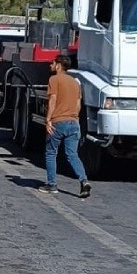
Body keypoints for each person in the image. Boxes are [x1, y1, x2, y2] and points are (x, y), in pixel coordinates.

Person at [39, 55, 91, 198]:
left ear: (58, 65)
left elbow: (53, 100)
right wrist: (73, 118)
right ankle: (84, 180)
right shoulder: (75, 83)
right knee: (72, 155)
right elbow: (78, 104)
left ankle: (52, 185)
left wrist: (48, 119)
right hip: (74, 122)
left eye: (53, 63)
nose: (50, 65)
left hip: (58, 122)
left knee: (51, 153)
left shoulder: (54, 80)